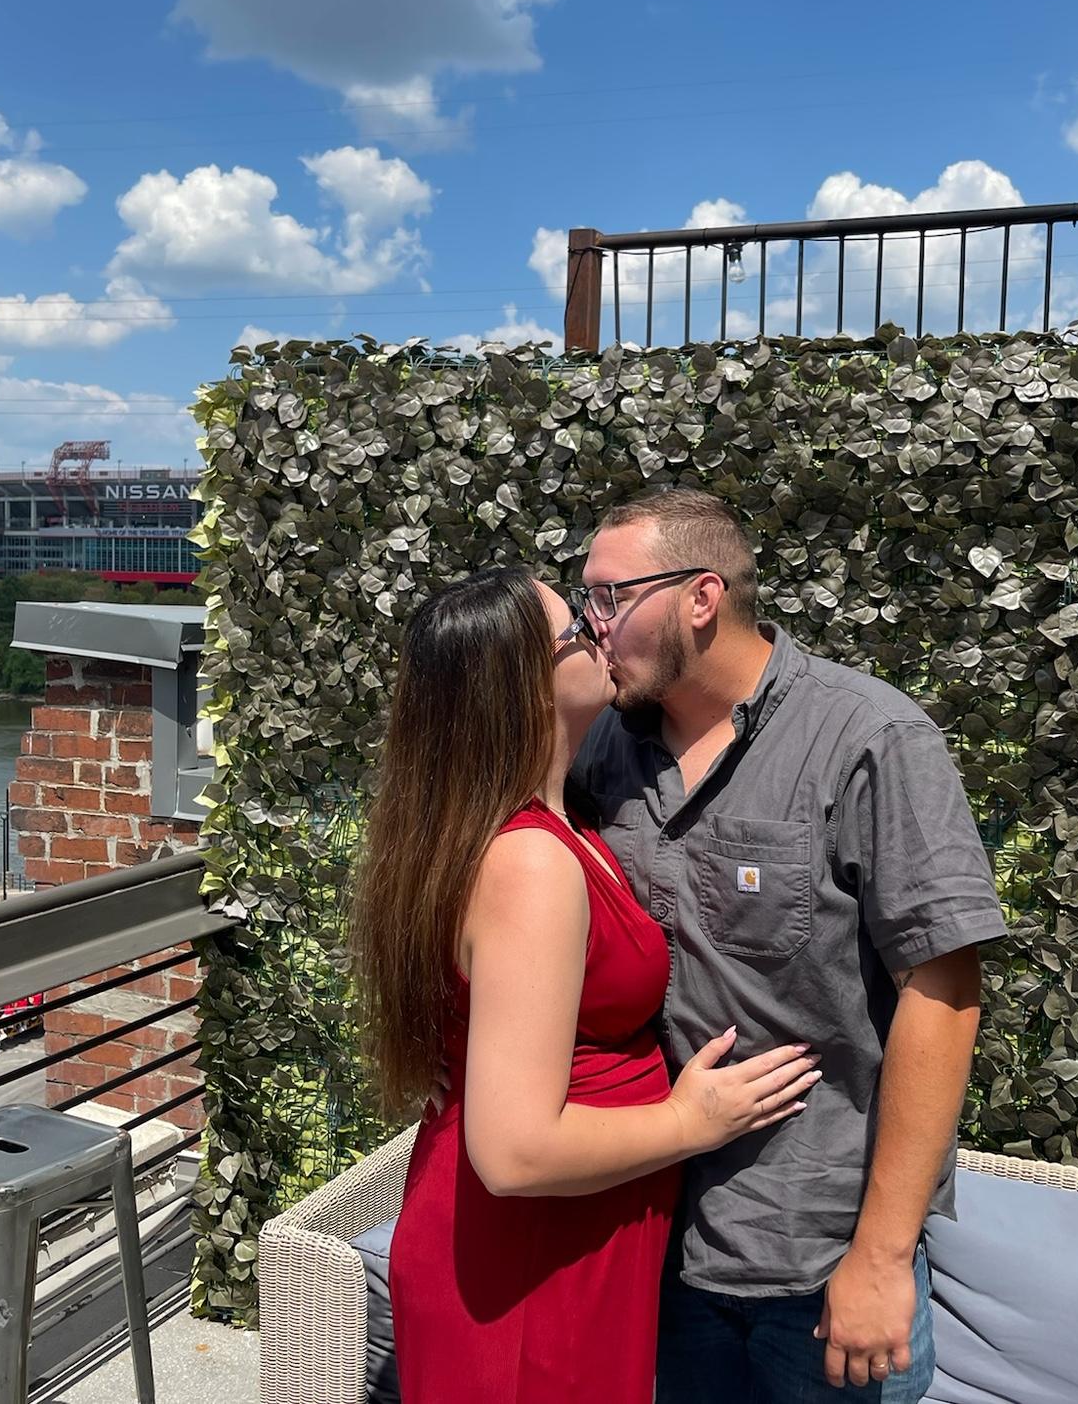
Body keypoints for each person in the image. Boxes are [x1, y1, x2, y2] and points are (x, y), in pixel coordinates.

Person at [572, 488, 1009, 1401]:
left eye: (611, 596)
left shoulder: (869, 739)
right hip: (651, 1235)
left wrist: (881, 1257)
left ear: (700, 597)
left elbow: (944, 993)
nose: (592, 624)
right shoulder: (604, 747)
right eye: (587, 600)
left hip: (818, 1262)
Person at [348, 566, 822, 1404]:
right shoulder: (529, 861)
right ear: (523, 686)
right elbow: (516, 1153)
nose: (600, 630)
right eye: (574, 628)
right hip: (529, 1264)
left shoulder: (552, 824)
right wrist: (690, 1120)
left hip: (562, 1246)